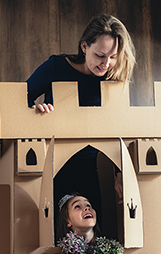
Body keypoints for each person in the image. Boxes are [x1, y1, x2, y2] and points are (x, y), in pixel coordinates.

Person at [27, 14, 135, 228]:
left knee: (92, 231)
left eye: (113, 57)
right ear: (84, 47)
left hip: (90, 165)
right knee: (53, 229)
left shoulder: (112, 80)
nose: (106, 63)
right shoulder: (56, 67)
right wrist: (35, 111)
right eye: (100, 55)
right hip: (52, 164)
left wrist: (120, 173)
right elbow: (19, 100)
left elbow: (117, 129)